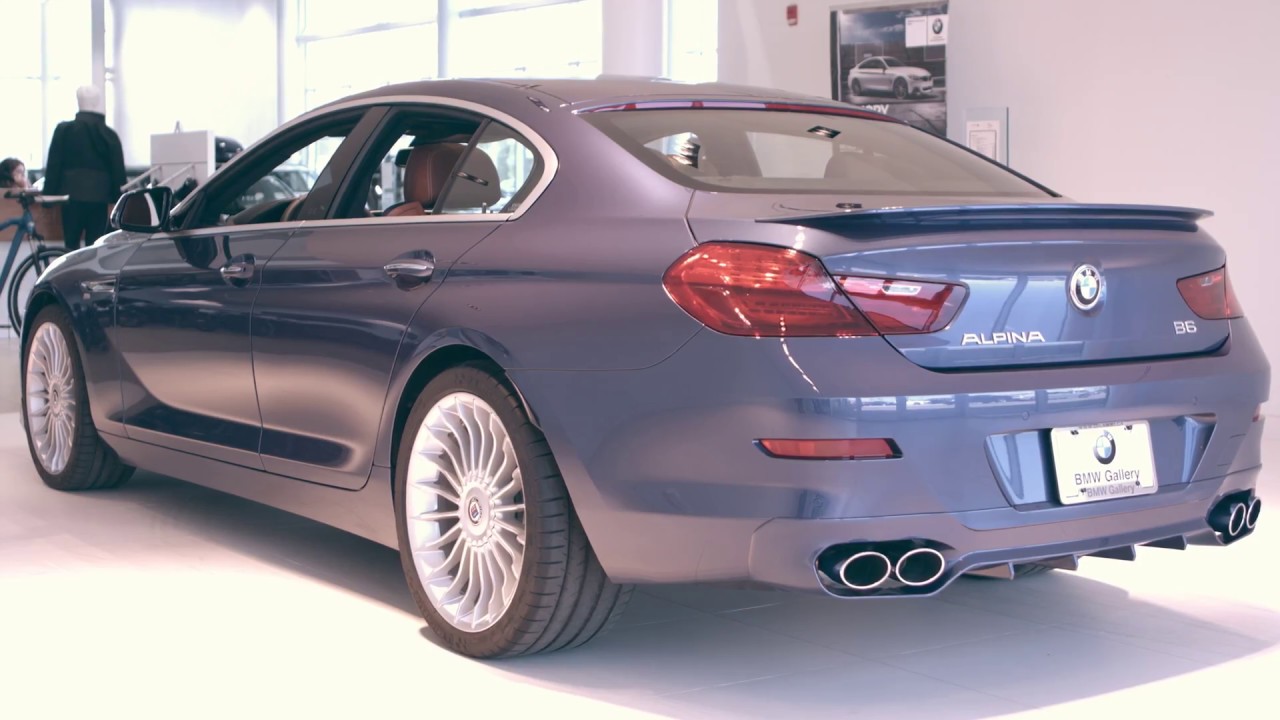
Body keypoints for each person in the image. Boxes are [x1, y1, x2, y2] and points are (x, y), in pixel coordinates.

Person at [43, 85, 126, 250]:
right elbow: (118, 172)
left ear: (78, 102)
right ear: (97, 103)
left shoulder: (64, 130)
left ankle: (69, 276)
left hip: (71, 198)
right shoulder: (109, 135)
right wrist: (118, 199)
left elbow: (54, 166)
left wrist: (48, 197)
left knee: (69, 249)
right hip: (99, 199)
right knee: (95, 249)